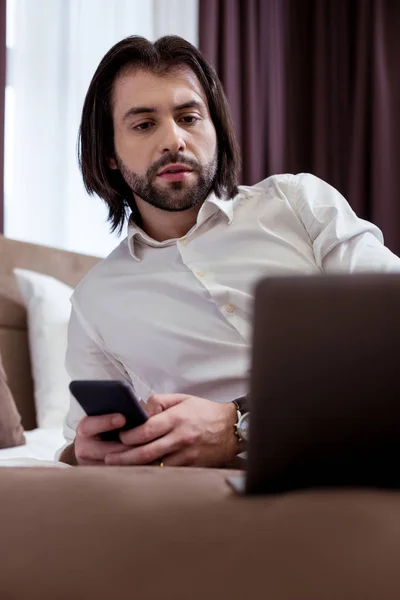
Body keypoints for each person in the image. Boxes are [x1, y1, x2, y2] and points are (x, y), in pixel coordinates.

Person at [58, 35, 400, 467]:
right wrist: (84, 453)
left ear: (215, 129)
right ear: (108, 152)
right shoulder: (95, 302)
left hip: (363, 458)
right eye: (144, 124)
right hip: (210, 506)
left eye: (189, 117)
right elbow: (77, 442)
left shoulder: (299, 204)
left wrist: (239, 424)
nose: (174, 140)